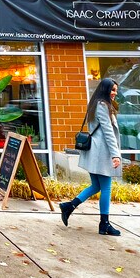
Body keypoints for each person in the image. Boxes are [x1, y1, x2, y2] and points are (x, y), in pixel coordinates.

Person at [59, 78, 123, 236]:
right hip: (102, 152)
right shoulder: (102, 105)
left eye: (116, 90)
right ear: (105, 89)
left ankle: (69, 206)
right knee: (106, 187)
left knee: (96, 186)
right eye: (112, 90)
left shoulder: (96, 104)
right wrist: (115, 154)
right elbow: (108, 131)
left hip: (96, 151)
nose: (114, 93)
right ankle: (104, 224)